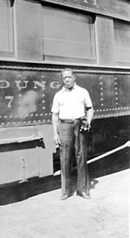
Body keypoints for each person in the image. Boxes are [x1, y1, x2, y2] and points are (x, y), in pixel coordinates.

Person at [51, 68, 94, 200]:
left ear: (74, 77)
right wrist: (55, 134)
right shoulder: (58, 95)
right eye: (64, 78)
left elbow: (90, 109)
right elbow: (55, 115)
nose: (67, 80)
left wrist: (88, 121)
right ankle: (66, 191)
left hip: (79, 125)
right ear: (62, 80)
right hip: (64, 126)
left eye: (69, 77)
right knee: (65, 159)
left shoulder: (82, 92)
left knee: (81, 157)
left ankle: (83, 190)